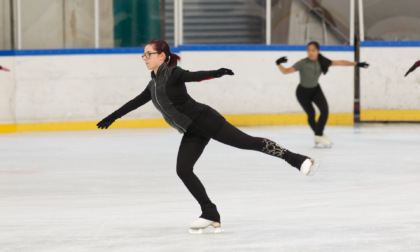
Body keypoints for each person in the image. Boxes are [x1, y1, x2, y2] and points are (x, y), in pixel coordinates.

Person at [97, 39, 318, 233]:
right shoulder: (152, 84)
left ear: (162, 56)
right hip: (193, 130)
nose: (144, 58)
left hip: (206, 120)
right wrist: (113, 116)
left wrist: (216, 73)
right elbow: (135, 102)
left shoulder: (173, 74)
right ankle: (210, 213)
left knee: (246, 143)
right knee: (183, 169)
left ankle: (297, 159)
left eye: (149, 54)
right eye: (143, 54)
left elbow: (195, 76)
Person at [276, 41, 369, 147]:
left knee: (324, 110)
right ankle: (318, 135)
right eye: (309, 50)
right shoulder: (303, 63)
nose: (310, 53)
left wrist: (356, 64)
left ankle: (318, 134)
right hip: (302, 92)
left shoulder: (322, 61)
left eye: (313, 50)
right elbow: (286, 71)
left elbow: (339, 63)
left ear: (318, 51)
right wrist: (278, 64)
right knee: (311, 114)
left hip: (316, 89)